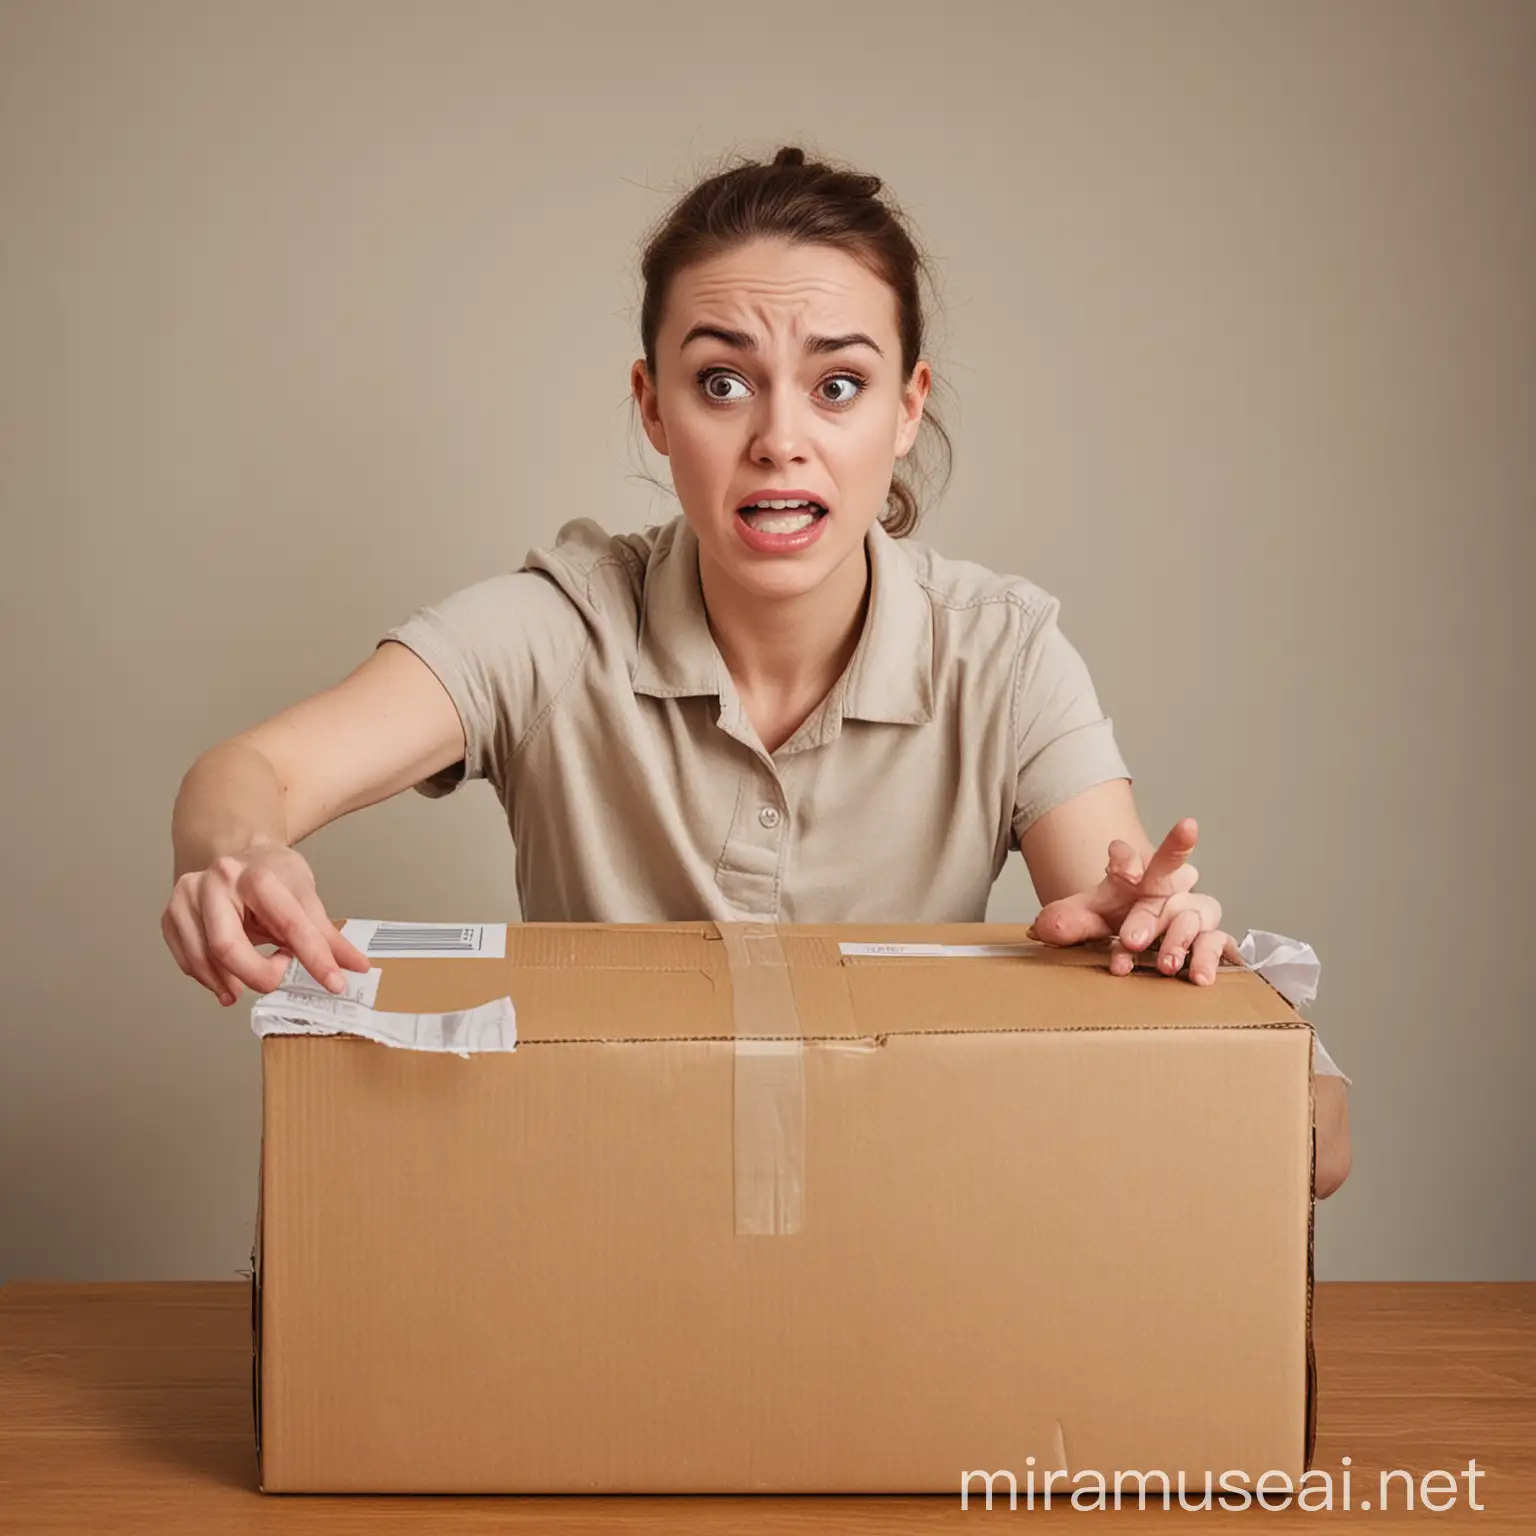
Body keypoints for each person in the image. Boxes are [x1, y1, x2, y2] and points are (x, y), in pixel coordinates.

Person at [164, 145, 1349, 1196]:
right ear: (655, 408)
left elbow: (1319, 1149)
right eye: (722, 381)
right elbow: (251, 772)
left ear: (904, 409)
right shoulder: (554, 627)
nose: (780, 435)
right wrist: (241, 854)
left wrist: (1153, 965)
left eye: (839, 384)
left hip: (905, 1238)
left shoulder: (1003, 653)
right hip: (590, 1221)